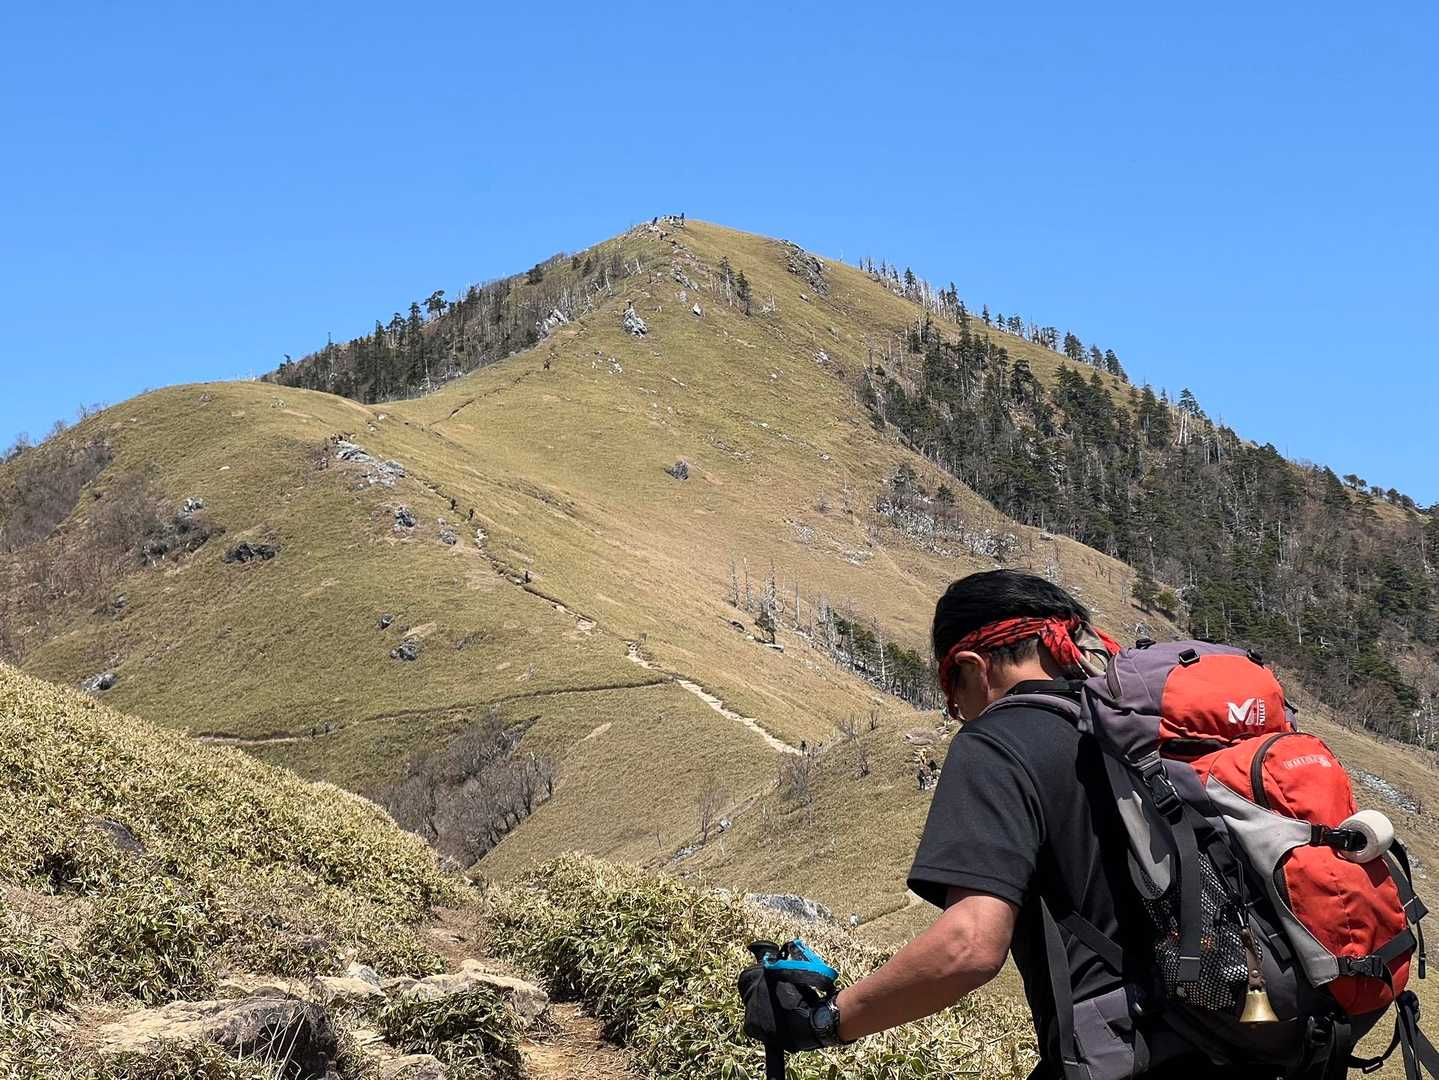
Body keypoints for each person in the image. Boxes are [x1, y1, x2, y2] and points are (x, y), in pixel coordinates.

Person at [740, 569, 1274, 1079]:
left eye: (952, 692)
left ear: (972, 666)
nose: (956, 711)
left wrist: (826, 1020)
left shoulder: (996, 742)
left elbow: (970, 945)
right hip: (1260, 1044)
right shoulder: (1148, 736)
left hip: (1132, 1056)